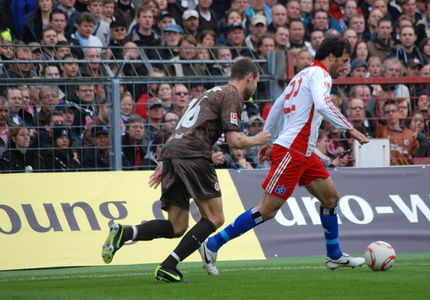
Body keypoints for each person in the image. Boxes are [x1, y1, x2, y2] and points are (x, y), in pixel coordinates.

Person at [200, 38, 370, 276]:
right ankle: (212, 244)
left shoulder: (301, 75)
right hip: (292, 150)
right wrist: (350, 128)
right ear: (331, 57)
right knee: (267, 210)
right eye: (343, 60)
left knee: (330, 197)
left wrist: (267, 141)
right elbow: (322, 104)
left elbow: (278, 105)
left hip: (304, 152)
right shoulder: (321, 75)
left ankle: (334, 256)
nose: (345, 66)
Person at [100, 57, 271, 282]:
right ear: (250, 77)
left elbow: (184, 126)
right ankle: (169, 265)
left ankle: (125, 233)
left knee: (177, 225)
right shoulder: (232, 95)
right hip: (193, 155)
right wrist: (257, 139)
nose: (254, 89)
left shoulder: (209, 93)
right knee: (215, 217)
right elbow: (235, 140)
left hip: (173, 153)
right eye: (256, 82)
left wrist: (167, 160)